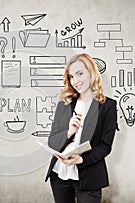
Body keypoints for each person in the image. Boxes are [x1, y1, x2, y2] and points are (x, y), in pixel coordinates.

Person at [45, 53, 118, 203]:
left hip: (90, 176)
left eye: (80, 74)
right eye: (71, 77)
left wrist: (81, 159)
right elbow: (52, 142)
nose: (75, 81)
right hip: (60, 174)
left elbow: (105, 146)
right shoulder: (64, 104)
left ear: (91, 72)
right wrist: (69, 131)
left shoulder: (108, 106)